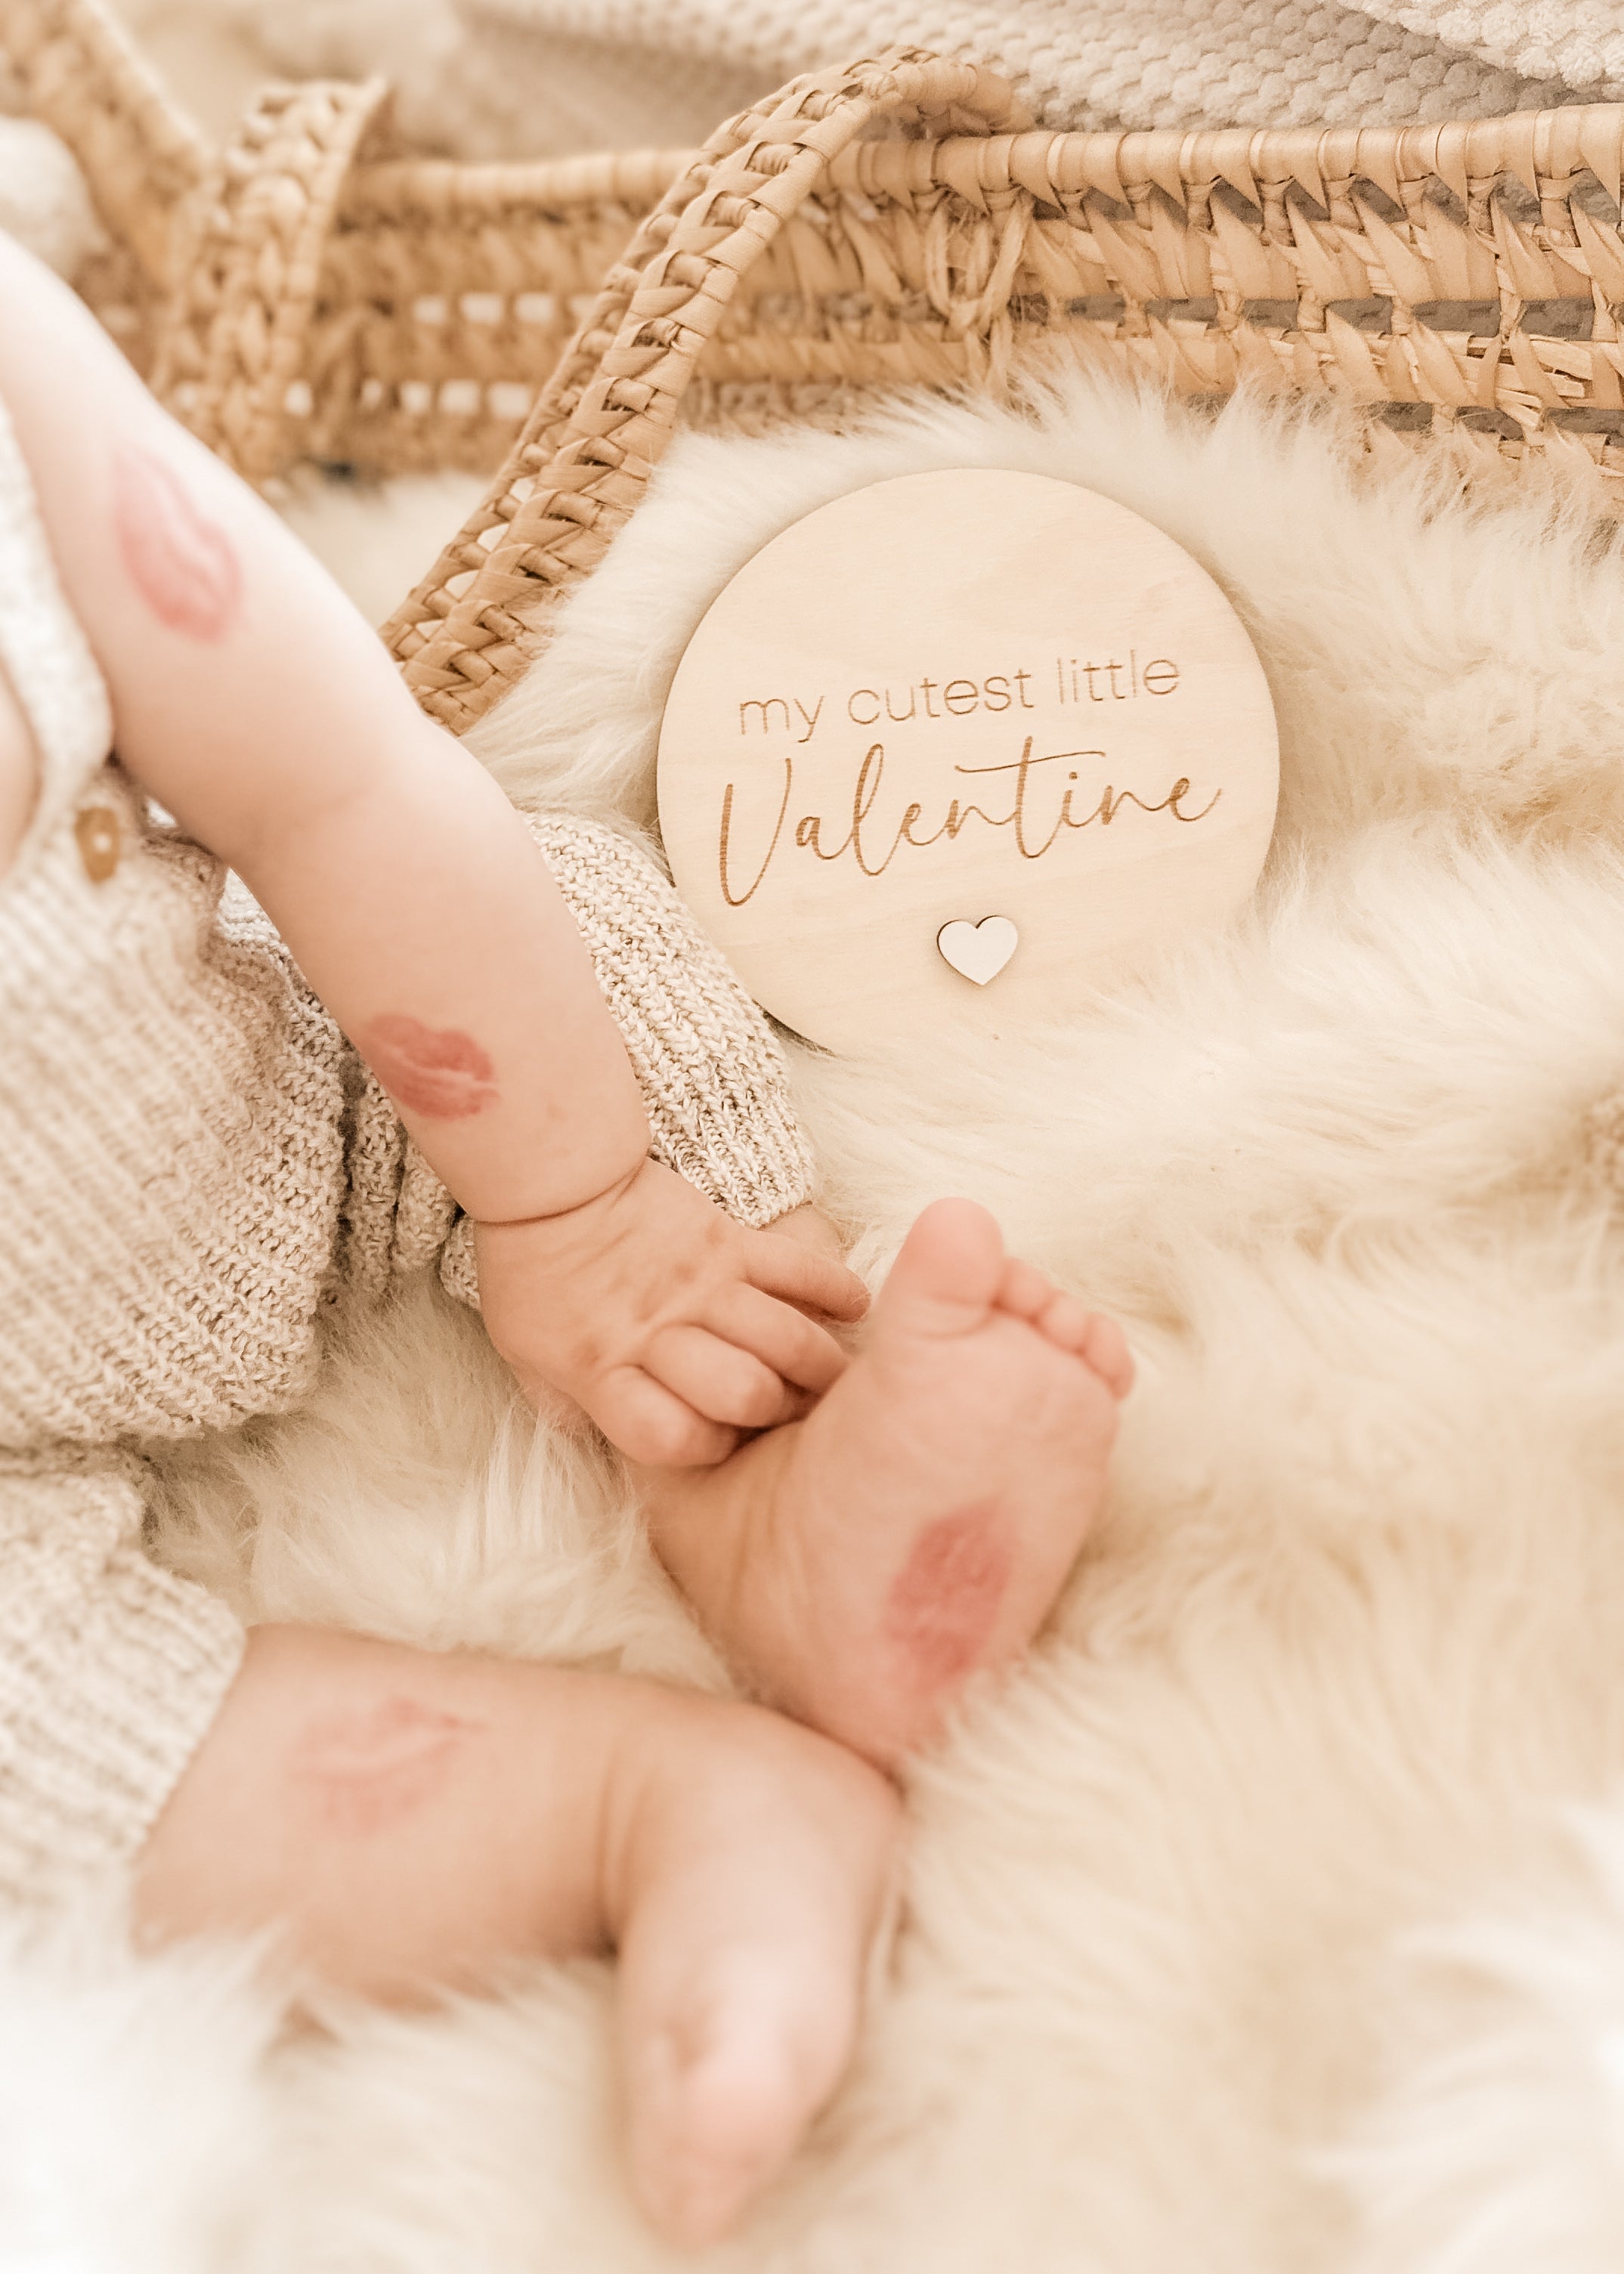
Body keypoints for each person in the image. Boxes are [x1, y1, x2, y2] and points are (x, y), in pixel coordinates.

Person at [0, 228, 1131, 2246]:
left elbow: (327, 776)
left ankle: (783, 1488)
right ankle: (648, 1805)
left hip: (270, 1103)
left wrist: (581, 1207)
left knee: (562, 937)